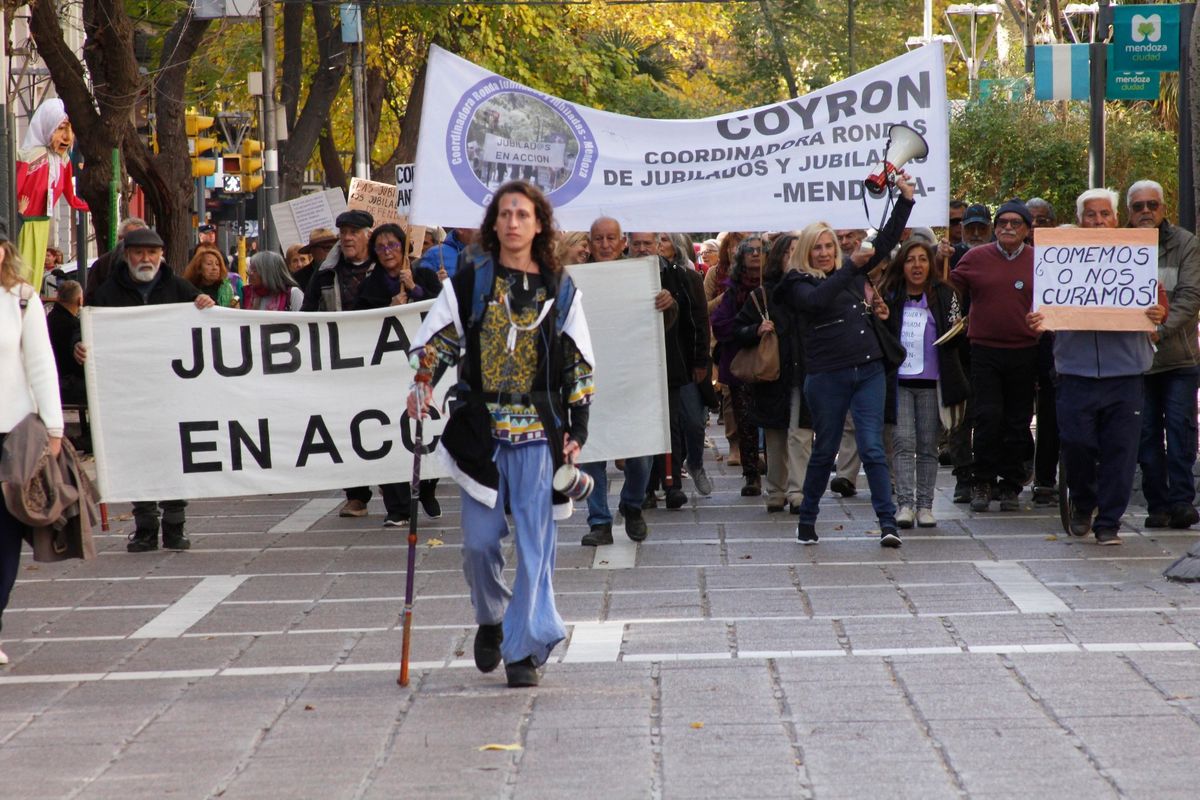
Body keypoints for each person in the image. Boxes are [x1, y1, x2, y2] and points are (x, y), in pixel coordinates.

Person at [406, 180, 594, 688]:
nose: (512, 222)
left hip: (538, 437)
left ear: (539, 224)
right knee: (479, 546)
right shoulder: (470, 282)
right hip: (482, 434)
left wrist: (578, 428)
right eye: (505, 214)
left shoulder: (561, 287)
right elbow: (439, 341)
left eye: (523, 214)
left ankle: (522, 650)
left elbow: (578, 363)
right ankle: (492, 618)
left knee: (537, 548)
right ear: (493, 224)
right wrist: (423, 381)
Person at [777, 171, 915, 547]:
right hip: (827, 376)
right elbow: (816, 303)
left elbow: (885, 243)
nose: (824, 252)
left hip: (868, 368)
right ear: (806, 250)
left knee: (872, 447)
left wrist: (905, 201)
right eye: (817, 247)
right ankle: (807, 522)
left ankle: (887, 524)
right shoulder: (796, 282)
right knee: (825, 450)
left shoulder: (849, 272)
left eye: (829, 246)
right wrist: (852, 266)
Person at [1027, 188, 1165, 545]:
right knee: (1077, 444)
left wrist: (1157, 316)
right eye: (1091, 214)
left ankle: (1109, 522)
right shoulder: (1059, 261)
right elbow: (1045, 304)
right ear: (1080, 219)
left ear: (1116, 219)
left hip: (1126, 373)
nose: (1099, 220)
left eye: (1105, 214)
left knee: (1121, 452)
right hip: (1075, 371)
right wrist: (1037, 319)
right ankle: (1083, 502)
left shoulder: (1137, 259)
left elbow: (1158, 311)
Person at [74, 227, 216, 552]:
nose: (146, 259)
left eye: (152, 253)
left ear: (161, 255)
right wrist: (78, 346)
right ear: (127, 256)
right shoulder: (107, 293)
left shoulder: (177, 286)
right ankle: (146, 527)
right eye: (139, 252)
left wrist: (203, 302)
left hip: (171, 391)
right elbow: (82, 328)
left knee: (172, 454)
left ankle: (175, 525)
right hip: (129, 393)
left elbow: (202, 315)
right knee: (138, 454)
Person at [578, 220, 673, 546]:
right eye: (598, 239)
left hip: (632, 379)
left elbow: (661, 327)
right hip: (589, 381)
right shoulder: (574, 279)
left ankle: (632, 504)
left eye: (611, 239)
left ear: (622, 243)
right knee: (591, 452)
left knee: (641, 452)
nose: (605, 244)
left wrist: (666, 305)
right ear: (589, 243)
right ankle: (599, 521)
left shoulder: (640, 277)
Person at [949, 199, 1040, 513]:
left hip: (1026, 350)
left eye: (1016, 223)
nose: (1009, 228)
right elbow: (949, 288)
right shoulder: (975, 257)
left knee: (1018, 421)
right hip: (984, 350)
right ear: (995, 228)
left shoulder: (1040, 260)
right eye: (1003, 223)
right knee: (987, 417)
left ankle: (1011, 484)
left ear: (1028, 229)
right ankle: (982, 481)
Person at [1, 228, 64, 666]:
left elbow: (41, 364)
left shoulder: (21, 299)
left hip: (13, 432)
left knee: (3, 536)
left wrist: (55, 428)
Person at [355, 223, 442, 525]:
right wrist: (388, 308)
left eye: (393, 245)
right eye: (381, 247)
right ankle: (398, 507)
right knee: (390, 434)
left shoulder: (425, 275)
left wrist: (416, 290)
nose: (388, 252)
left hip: (423, 369)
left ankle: (428, 486)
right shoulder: (370, 285)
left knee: (427, 430)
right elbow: (359, 322)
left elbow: (442, 311)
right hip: (385, 375)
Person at [1127, 180, 1200, 530]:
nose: (1145, 212)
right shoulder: (1116, 244)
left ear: (1163, 208)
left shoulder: (1186, 243)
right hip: (1134, 361)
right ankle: (1157, 504)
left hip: (1179, 359)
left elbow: (1190, 296)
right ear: (1129, 211)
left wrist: (1162, 327)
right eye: (1138, 206)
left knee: (1181, 429)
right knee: (1145, 434)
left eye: (1151, 205)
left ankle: (1182, 501)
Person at [881, 240, 969, 528]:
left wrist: (957, 326)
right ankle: (905, 504)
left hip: (933, 383)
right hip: (900, 382)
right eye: (910, 260)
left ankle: (925, 505)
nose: (917, 265)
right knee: (903, 444)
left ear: (931, 264)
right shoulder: (890, 295)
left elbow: (956, 340)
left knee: (928, 446)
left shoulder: (945, 294)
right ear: (901, 265)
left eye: (923, 259)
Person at [733, 232, 811, 513]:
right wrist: (756, 330)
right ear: (779, 256)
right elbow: (736, 331)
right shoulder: (763, 294)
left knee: (801, 434)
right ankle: (776, 490)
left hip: (804, 373)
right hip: (774, 377)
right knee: (776, 435)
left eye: (799, 251)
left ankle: (797, 491)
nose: (794, 257)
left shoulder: (810, 290)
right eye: (790, 252)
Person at [711, 235, 768, 497]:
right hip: (742, 364)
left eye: (760, 250)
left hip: (773, 361)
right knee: (746, 420)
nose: (756, 254)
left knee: (773, 419)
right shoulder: (733, 291)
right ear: (741, 257)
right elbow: (721, 325)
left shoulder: (776, 285)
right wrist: (749, 330)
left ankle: (776, 468)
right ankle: (751, 473)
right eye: (750, 251)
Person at [15, 98, 88, 295]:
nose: (67, 136)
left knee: (34, 276)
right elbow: (15, 188)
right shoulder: (29, 157)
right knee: (20, 273)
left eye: (70, 130)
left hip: (42, 222)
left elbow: (69, 194)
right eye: (61, 128)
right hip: (25, 222)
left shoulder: (63, 160)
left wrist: (85, 205)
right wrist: (17, 214)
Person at [302, 210, 375, 314]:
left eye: (354, 232)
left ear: (369, 236)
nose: (347, 238)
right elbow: (307, 311)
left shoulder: (382, 268)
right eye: (343, 232)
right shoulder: (325, 272)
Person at [84, 217, 147, 305]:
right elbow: (91, 300)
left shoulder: (154, 265)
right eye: (132, 238)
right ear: (120, 239)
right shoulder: (102, 265)